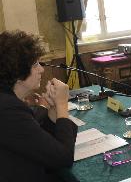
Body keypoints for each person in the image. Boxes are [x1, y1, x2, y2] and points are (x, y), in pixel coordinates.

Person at [0, 30, 77, 181]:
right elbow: (63, 159)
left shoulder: (8, 100)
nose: (41, 69)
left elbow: (39, 144)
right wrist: (62, 105)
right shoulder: (8, 110)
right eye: (35, 64)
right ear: (17, 72)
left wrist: (54, 111)